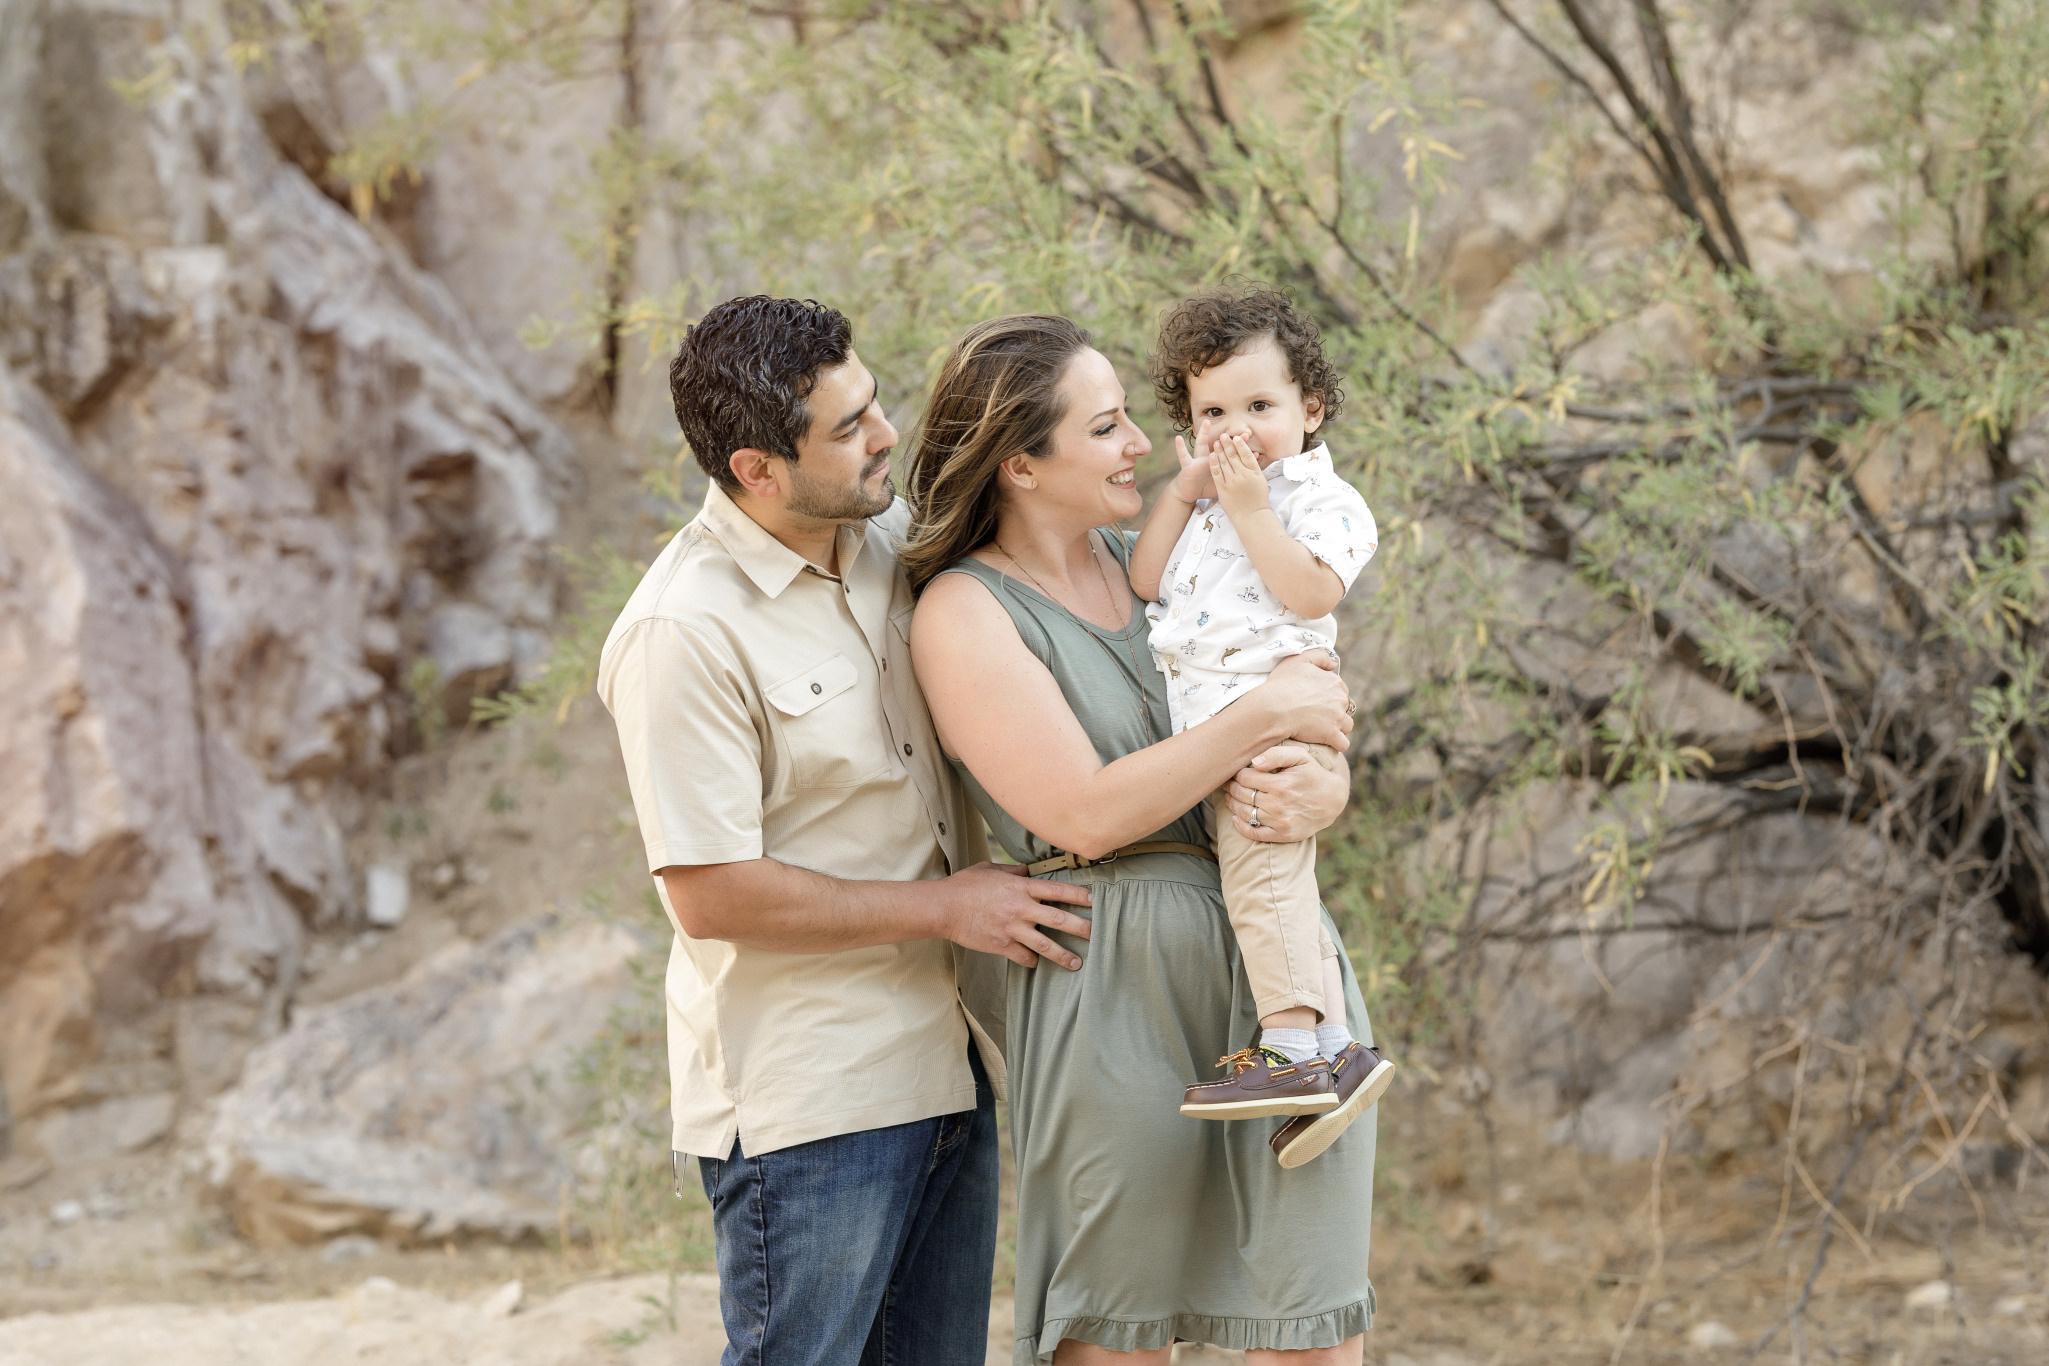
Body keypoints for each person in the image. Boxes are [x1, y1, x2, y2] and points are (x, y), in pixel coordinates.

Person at [595, 295, 1104, 1366]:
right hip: (810, 1104)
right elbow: (710, 890)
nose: (885, 436)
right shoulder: (682, 632)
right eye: (849, 428)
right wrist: (951, 906)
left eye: (872, 403)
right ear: (757, 470)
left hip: (948, 1059)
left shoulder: (882, 540)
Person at [906, 313, 1378, 1365]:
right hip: (1111, 975)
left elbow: (1309, 692)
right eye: (1110, 427)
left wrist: (1320, 781)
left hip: (1275, 968)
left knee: (1310, 1326)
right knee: (1115, 1333)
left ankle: (1302, 1046)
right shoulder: (965, 610)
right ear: (1022, 464)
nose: (1143, 445)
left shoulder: (1178, 558)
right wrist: (1261, 722)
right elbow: (1082, 811)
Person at [1130, 283, 1396, 1168]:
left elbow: (1311, 591)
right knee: (1284, 891)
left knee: (1263, 889)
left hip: (1272, 726)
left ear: (1308, 409)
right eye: (1212, 411)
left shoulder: (1320, 501)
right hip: (1230, 726)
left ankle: (1289, 1054)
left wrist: (1247, 508)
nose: (1235, 428)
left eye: (1258, 406)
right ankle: (1336, 1055)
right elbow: (1144, 580)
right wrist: (1185, 490)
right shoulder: (1208, 502)